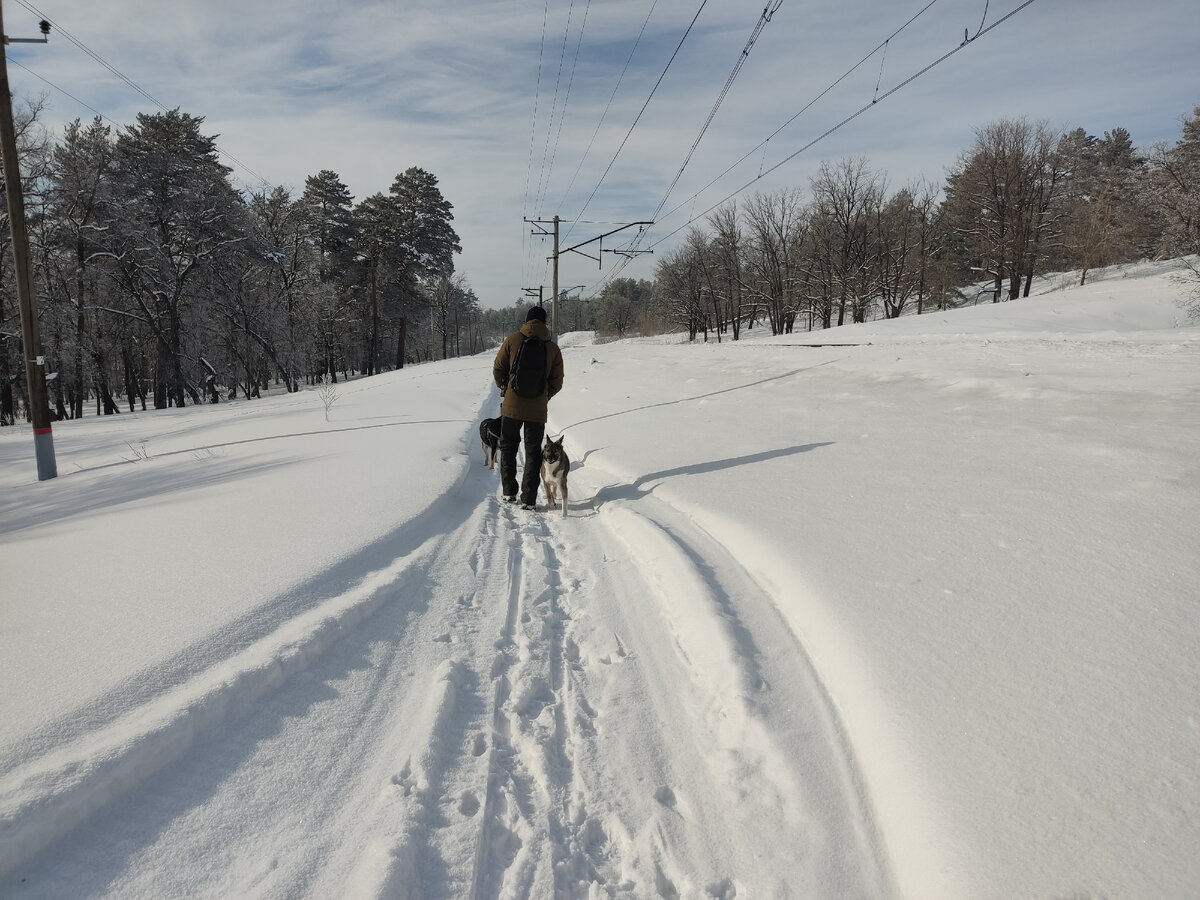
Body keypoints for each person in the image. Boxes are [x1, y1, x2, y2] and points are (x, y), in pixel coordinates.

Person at [492, 306, 564, 508]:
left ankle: (508, 493)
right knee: (533, 452)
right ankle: (529, 499)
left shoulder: (512, 340)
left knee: (508, 448)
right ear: (545, 322)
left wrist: (506, 388)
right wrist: (543, 396)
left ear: (526, 321)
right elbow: (557, 382)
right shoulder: (552, 348)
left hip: (511, 407)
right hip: (537, 411)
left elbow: (498, 369)